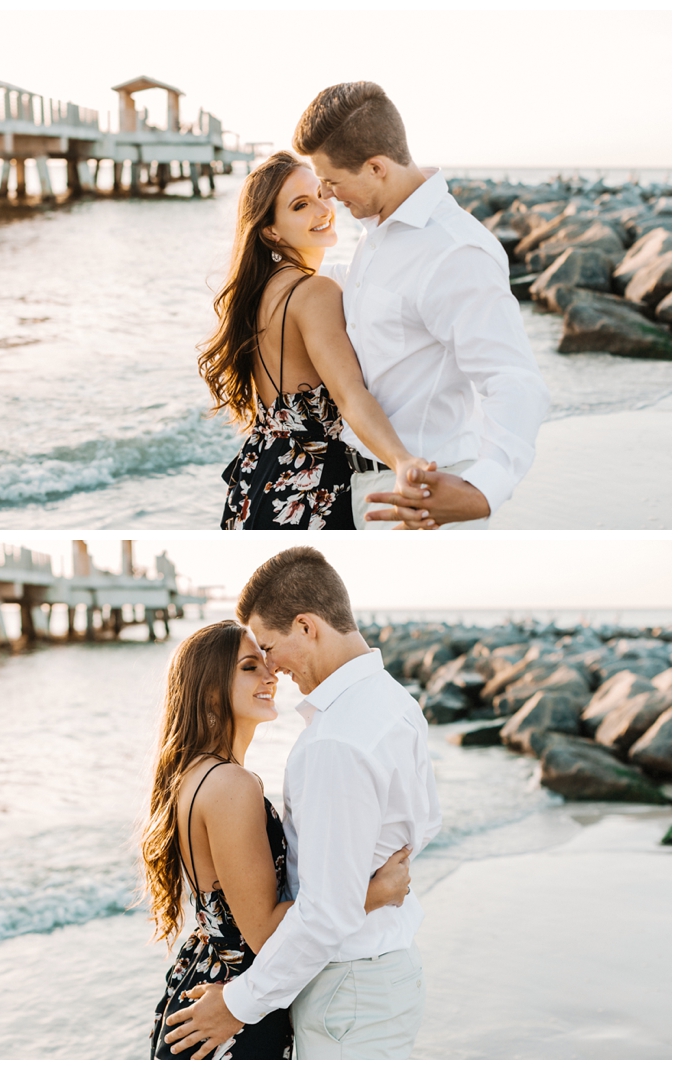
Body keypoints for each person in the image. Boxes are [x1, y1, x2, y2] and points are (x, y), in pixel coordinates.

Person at [164, 548, 442, 1060]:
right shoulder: (396, 704)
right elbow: (419, 830)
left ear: (307, 627)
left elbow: (323, 913)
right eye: (251, 664)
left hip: (346, 988)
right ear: (210, 693)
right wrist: (371, 892)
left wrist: (241, 1003)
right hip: (357, 979)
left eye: (267, 649)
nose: (271, 668)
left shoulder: (335, 740)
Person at [288, 81, 551, 530]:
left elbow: (513, 378)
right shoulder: (378, 229)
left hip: (427, 493)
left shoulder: (455, 251)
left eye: (331, 181)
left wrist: (484, 489)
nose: (327, 195)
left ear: (376, 167)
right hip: (364, 486)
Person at [198, 151, 431, 530]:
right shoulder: (314, 292)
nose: (323, 209)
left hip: (258, 476)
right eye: (300, 205)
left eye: (321, 194)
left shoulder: (259, 293)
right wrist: (402, 460)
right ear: (271, 230)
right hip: (310, 487)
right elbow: (349, 394)